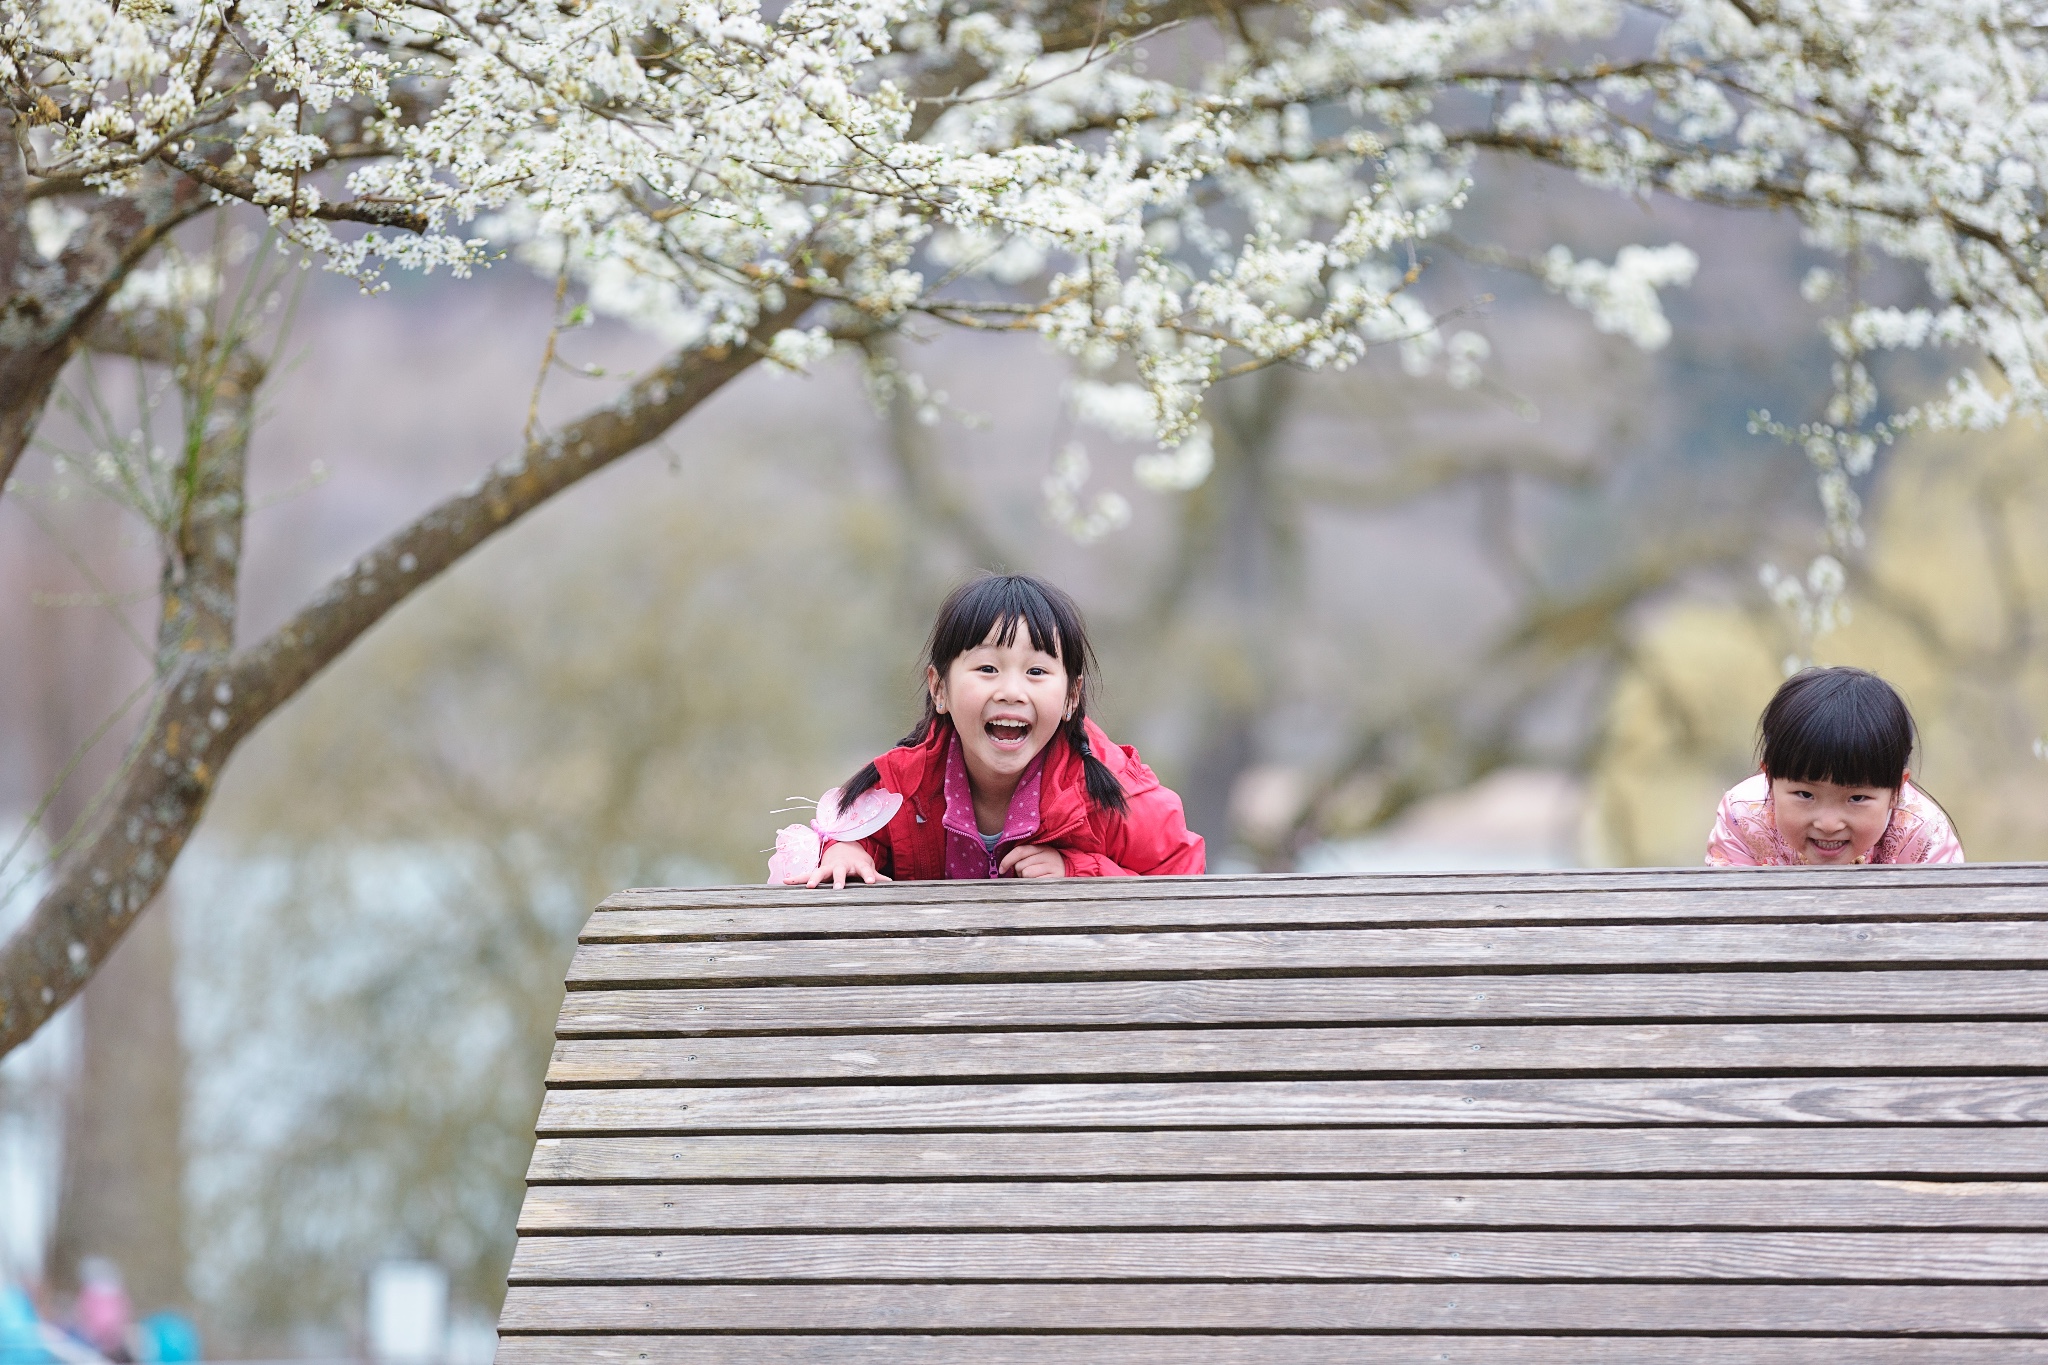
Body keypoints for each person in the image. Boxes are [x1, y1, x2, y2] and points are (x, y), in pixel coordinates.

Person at [771, 573, 1204, 885]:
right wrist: (846, 852)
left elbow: (1184, 879)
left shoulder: (1113, 793)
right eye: (987, 668)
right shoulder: (902, 789)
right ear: (939, 688)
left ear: (1072, 696)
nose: (1011, 691)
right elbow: (862, 843)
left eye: (1036, 671)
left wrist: (1079, 872)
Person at [1706, 666, 1963, 866]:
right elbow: (1730, 913)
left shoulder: (1922, 834)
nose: (1828, 825)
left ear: (1896, 791)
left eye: (1857, 797)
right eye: (1805, 794)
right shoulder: (1743, 817)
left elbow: (1947, 921)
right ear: (1770, 779)